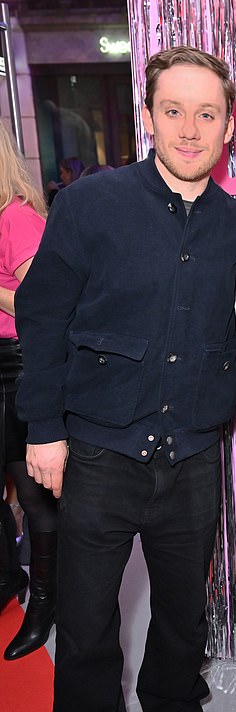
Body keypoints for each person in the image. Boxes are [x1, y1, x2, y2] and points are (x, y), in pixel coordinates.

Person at [15, 46, 236, 712]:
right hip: (97, 450)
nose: (191, 128)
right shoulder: (92, 203)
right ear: (146, 115)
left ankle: (175, 707)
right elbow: (41, 314)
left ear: (229, 127)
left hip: (192, 454)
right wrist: (41, 426)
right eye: (175, 110)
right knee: (84, 621)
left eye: (208, 113)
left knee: (184, 606)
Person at [0, 120, 58, 659]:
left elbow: (41, 305)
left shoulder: (16, 217)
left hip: (15, 367)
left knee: (36, 499)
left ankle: (43, 608)